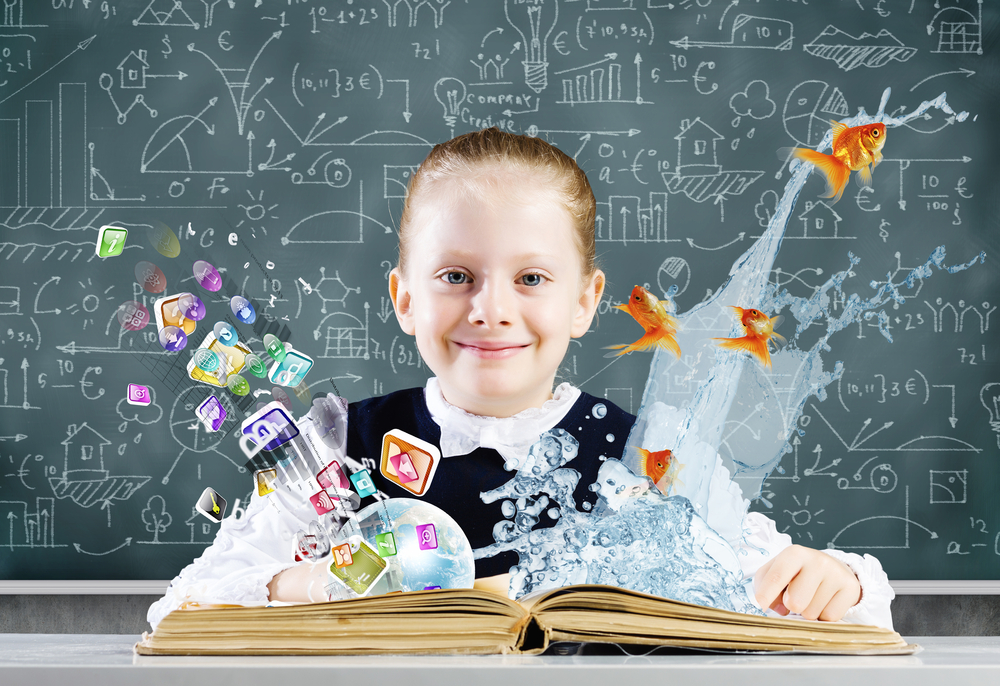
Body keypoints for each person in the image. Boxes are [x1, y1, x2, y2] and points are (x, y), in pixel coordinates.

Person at [148, 128, 894, 630]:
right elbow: (183, 604)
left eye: (531, 277)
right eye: (455, 276)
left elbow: (830, 596)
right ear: (405, 298)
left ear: (584, 302)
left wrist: (840, 582)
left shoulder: (657, 458)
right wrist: (325, 583)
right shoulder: (337, 444)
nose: (492, 309)